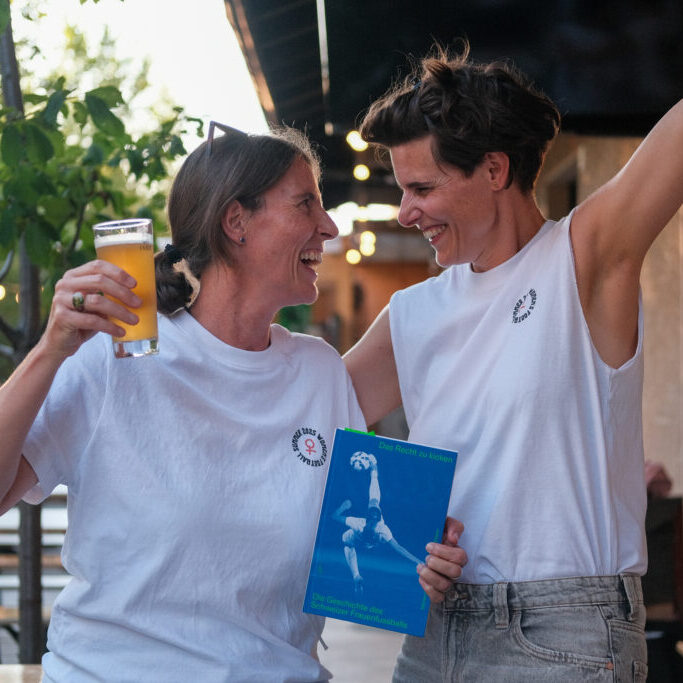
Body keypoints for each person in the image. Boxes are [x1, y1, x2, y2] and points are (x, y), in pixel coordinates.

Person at [0, 123, 465, 682]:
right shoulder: (114, 355)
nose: (329, 226)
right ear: (236, 222)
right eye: (306, 204)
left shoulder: (318, 372)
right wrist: (49, 350)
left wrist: (422, 559)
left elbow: (364, 555)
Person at [343, 41, 683, 681]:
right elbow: (297, 422)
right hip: (433, 634)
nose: (405, 212)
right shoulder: (412, 314)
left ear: (494, 170)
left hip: (564, 634)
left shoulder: (582, 258)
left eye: (422, 188)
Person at [333, 453, 422, 593]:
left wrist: (343, 507)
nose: (374, 504)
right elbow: (400, 549)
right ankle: (357, 576)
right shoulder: (382, 529)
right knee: (374, 497)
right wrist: (418, 562)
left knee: (346, 540)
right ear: (379, 517)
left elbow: (334, 516)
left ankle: (356, 575)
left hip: (358, 538)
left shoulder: (358, 523)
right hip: (372, 541)